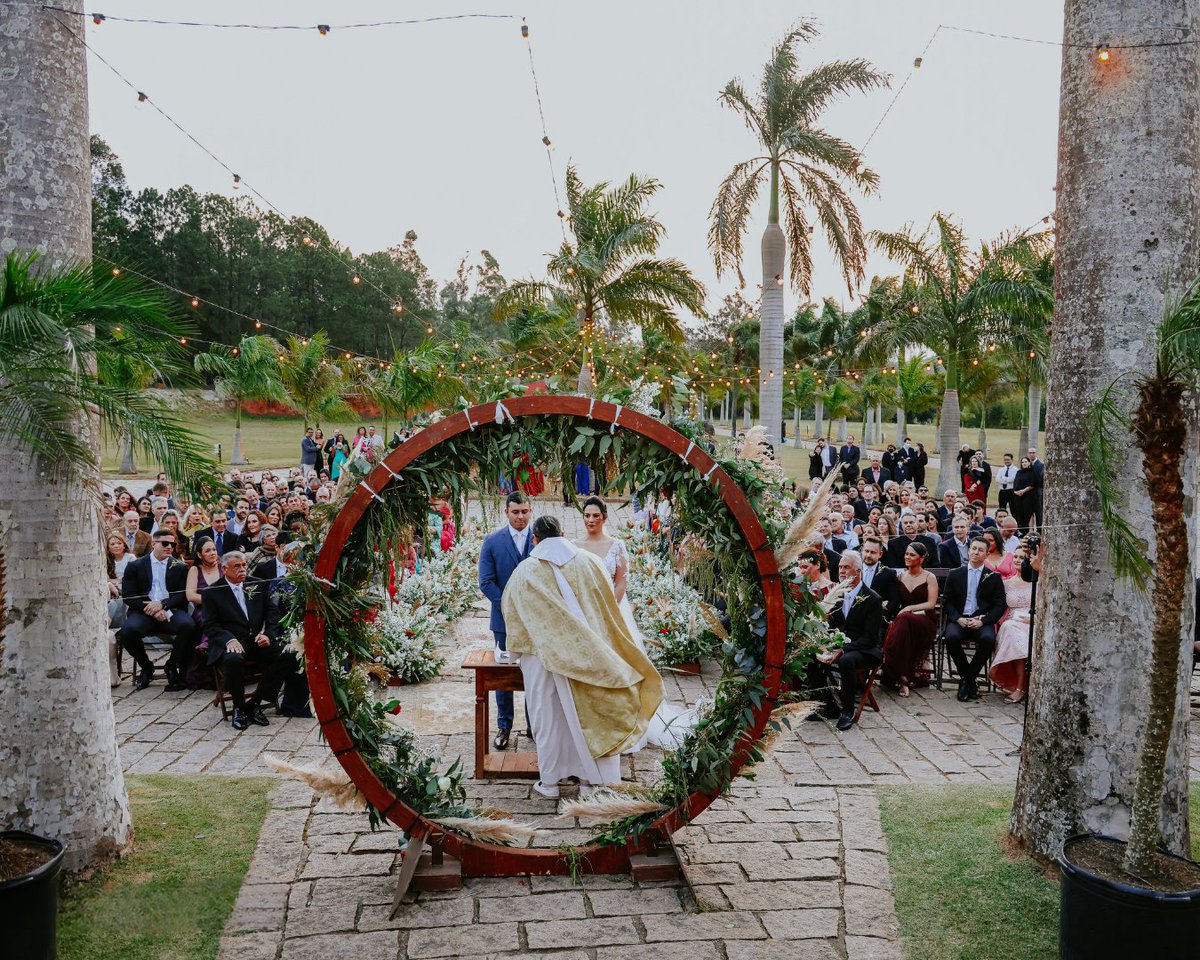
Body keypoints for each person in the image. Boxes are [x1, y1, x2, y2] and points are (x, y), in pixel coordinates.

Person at [502, 515, 663, 798]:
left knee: (548, 718)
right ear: (563, 533)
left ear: (535, 539)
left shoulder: (525, 571)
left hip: (544, 660)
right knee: (593, 714)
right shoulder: (590, 563)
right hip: (590, 655)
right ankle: (592, 781)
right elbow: (606, 609)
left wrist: (516, 651)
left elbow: (512, 613)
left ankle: (550, 783)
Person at [575, 496, 695, 750]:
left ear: (604, 517)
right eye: (587, 516)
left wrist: (609, 609)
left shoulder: (615, 545)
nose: (591, 520)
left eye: (596, 516)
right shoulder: (576, 546)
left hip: (614, 613)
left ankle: (627, 721)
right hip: (586, 613)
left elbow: (621, 581)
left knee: (623, 666)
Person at [203, 550, 296, 731]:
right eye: (237, 566)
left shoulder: (257, 584)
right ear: (224, 569)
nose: (242, 569)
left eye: (244, 565)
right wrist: (229, 640)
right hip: (229, 642)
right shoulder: (212, 592)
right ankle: (239, 707)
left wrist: (267, 634)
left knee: (289, 654)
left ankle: (255, 702)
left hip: (254, 639)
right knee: (233, 659)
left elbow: (273, 614)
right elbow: (210, 625)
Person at [478, 491, 534, 750]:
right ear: (506, 512)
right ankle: (504, 726)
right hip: (504, 621)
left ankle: (535, 724)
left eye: (524, 512)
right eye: (515, 512)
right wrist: (510, 605)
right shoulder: (492, 542)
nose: (520, 517)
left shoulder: (541, 540)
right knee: (504, 673)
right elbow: (486, 582)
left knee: (536, 672)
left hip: (537, 621)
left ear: (530, 511)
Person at [809, 551, 884, 731]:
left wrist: (843, 650)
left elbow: (870, 638)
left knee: (846, 660)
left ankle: (847, 711)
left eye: (846, 567)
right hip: (841, 643)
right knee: (810, 655)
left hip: (866, 649)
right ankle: (829, 705)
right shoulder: (838, 593)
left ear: (857, 571)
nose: (841, 571)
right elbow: (833, 623)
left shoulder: (873, 599)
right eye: (840, 567)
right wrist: (823, 641)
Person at [119, 530, 198, 691]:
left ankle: (172, 664)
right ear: (154, 543)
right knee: (127, 632)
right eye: (165, 543)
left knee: (189, 625)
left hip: (170, 610)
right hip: (143, 612)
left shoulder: (180, 567)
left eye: (173, 544)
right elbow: (128, 595)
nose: (170, 547)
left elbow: (182, 595)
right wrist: (150, 609)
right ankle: (146, 666)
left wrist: (163, 605)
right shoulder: (136, 565)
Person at [943, 537, 1007, 701]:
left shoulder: (993, 577)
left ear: (986, 554)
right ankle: (970, 680)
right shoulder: (955, 574)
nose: (976, 552)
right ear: (969, 550)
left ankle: (966, 680)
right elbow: (947, 601)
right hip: (960, 620)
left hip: (981, 620)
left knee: (988, 639)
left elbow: (999, 605)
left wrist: (983, 621)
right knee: (950, 637)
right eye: (973, 548)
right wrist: (957, 619)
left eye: (980, 550)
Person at [880, 542, 939, 697]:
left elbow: (931, 604)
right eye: (906, 553)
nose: (907, 557)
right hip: (904, 623)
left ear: (921, 558)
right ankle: (904, 678)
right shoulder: (900, 576)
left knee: (902, 621)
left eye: (912, 555)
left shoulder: (929, 577)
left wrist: (909, 608)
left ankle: (895, 671)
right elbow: (894, 598)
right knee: (903, 627)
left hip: (924, 620)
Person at [989, 544, 1034, 703]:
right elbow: (1000, 609)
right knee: (1010, 629)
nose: (1017, 560)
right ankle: (1020, 686)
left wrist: (1034, 619)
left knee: (1015, 633)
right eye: (1015, 556)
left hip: (1033, 622)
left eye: (1022, 557)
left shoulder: (1037, 582)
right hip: (1012, 621)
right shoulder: (1006, 583)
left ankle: (1023, 686)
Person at [858, 536, 898, 619]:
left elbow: (894, 601)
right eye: (866, 551)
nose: (868, 555)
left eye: (873, 552)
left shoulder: (889, 573)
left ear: (880, 554)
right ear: (862, 550)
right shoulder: (854, 570)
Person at [1010, 456, 1039, 533]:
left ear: (1029, 463)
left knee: (1028, 512)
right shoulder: (1019, 472)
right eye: (1022, 462)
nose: (1024, 463)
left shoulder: (1032, 472)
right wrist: (1016, 492)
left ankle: (1030, 530)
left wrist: (1023, 490)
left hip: (1028, 495)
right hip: (1018, 496)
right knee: (1019, 513)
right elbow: (1015, 483)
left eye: (1026, 462)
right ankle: (1022, 530)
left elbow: (1033, 484)